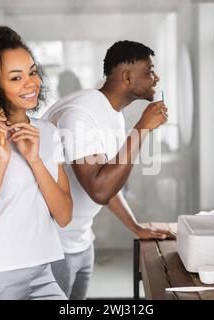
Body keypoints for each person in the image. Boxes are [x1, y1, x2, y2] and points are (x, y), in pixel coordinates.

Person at [43, 40, 173, 300]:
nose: (156, 78)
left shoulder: (111, 113)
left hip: (81, 241)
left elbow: (108, 181)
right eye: (149, 71)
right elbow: (100, 190)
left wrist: (134, 226)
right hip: (53, 247)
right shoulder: (80, 115)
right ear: (127, 76)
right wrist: (142, 128)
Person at [0, 24, 72, 300]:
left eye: (32, 72)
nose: (31, 83)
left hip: (43, 274)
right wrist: (0, 162)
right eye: (16, 78)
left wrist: (35, 160)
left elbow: (64, 215)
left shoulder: (49, 133)